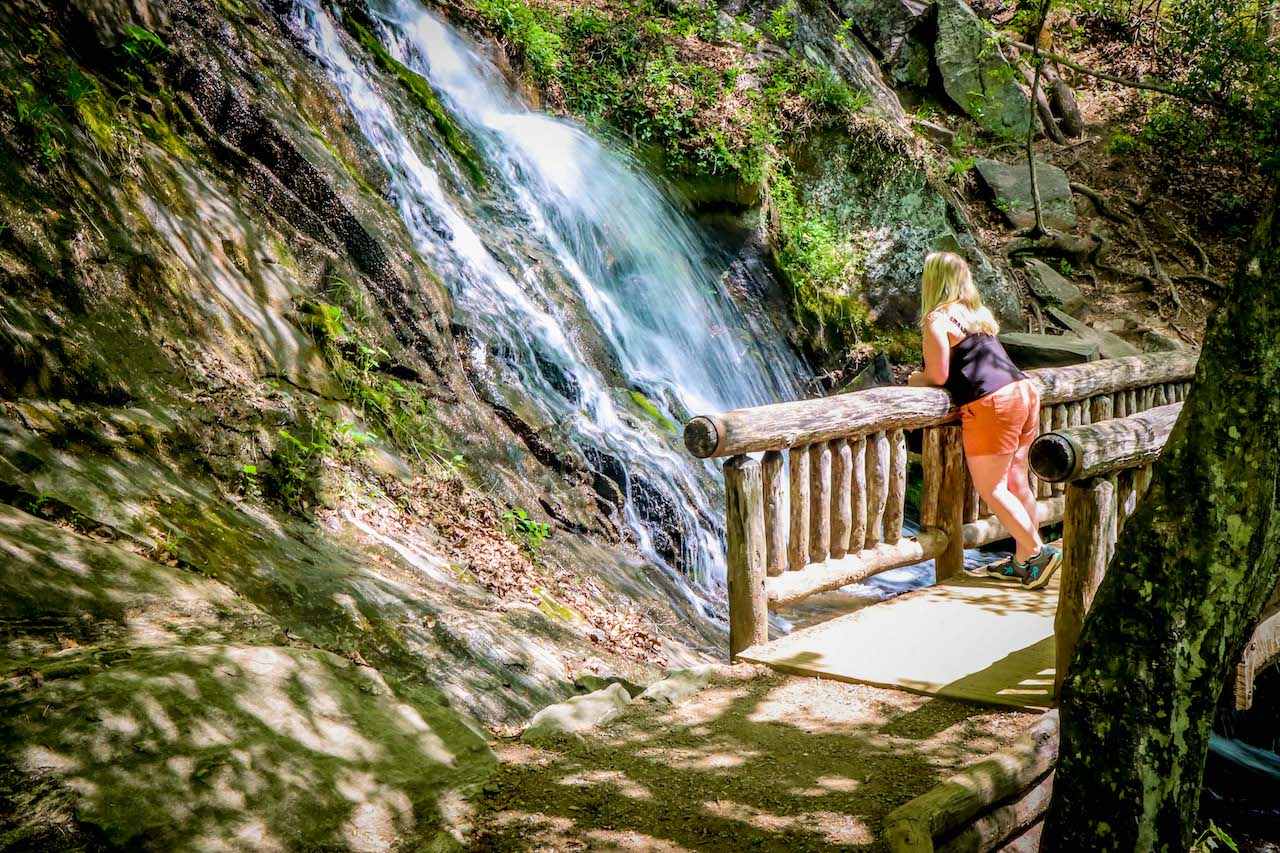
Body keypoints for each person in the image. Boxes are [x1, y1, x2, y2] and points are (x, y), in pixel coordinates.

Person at [907, 252, 1061, 589]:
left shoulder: (938, 319)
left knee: (991, 488)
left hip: (992, 403)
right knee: (1017, 482)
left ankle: (1037, 552)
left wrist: (911, 380)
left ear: (932, 280)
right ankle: (1023, 561)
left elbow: (937, 375)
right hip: (1023, 391)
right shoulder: (976, 315)